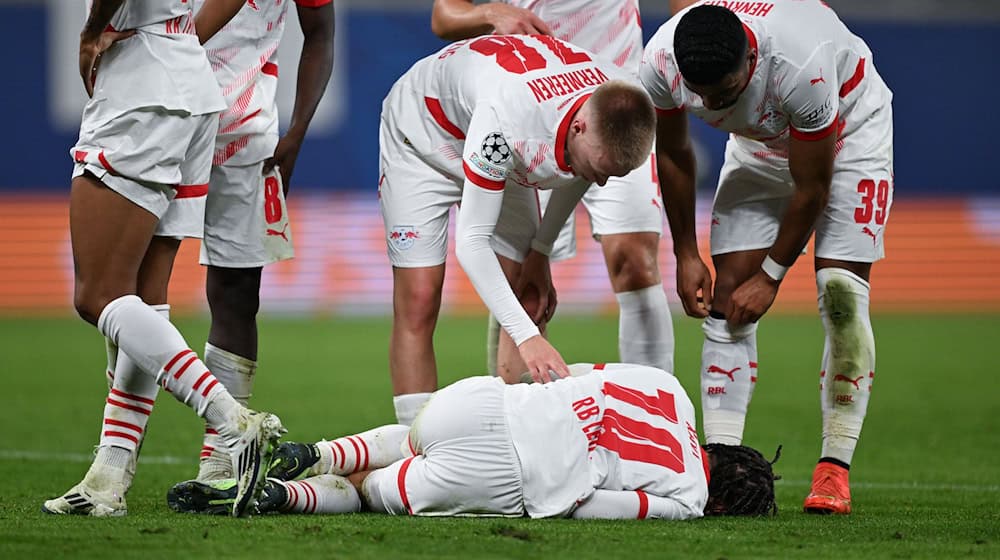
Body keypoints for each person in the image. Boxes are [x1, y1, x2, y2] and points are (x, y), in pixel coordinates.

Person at [640, 2, 893, 514]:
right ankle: (723, 465)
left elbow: (812, 188)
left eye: (723, 92)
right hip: (759, 146)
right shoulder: (661, 62)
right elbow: (672, 153)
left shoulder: (802, 64)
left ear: (750, 60)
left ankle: (833, 469)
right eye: (701, 94)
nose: (710, 102)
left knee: (840, 293)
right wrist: (686, 253)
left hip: (847, 136)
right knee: (727, 296)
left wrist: (773, 275)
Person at [43, 0, 285, 518]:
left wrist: (91, 30)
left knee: (96, 297)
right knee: (142, 301)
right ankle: (109, 478)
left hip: (140, 76)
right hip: (188, 78)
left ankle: (232, 420)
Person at [379, 35, 657, 425]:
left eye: (613, 174)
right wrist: (529, 340)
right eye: (600, 170)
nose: (603, 183)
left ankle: (518, 440)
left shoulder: (612, 106)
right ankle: (411, 445)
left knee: (525, 290)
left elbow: (578, 174)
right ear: (578, 127)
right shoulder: (508, 125)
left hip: (501, 128)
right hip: (423, 135)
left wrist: (540, 251)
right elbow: (472, 243)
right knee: (420, 297)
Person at [167, 363, 779, 518]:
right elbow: (591, 507)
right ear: (723, 498)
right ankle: (280, 497)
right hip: (508, 476)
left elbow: (574, 378)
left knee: (409, 437)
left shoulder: (670, 386)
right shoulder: (690, 498)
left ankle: (314, 454)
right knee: (369, 493)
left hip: (482, 402)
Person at [430, 0, 675, 383]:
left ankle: (657, 419)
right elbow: (444, 16)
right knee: (522, 280)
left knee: (635, 258)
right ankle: (515, 423)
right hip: (532, 111)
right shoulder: (512, 118)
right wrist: (488, 14)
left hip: (618, 111)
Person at [190, 0, 335, 483]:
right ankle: (115, 461)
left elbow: (320, 33)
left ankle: (222, 458)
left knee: (236, 295)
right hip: (161, 117)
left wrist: (297, 132)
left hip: (247, 130)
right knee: (134, 292)